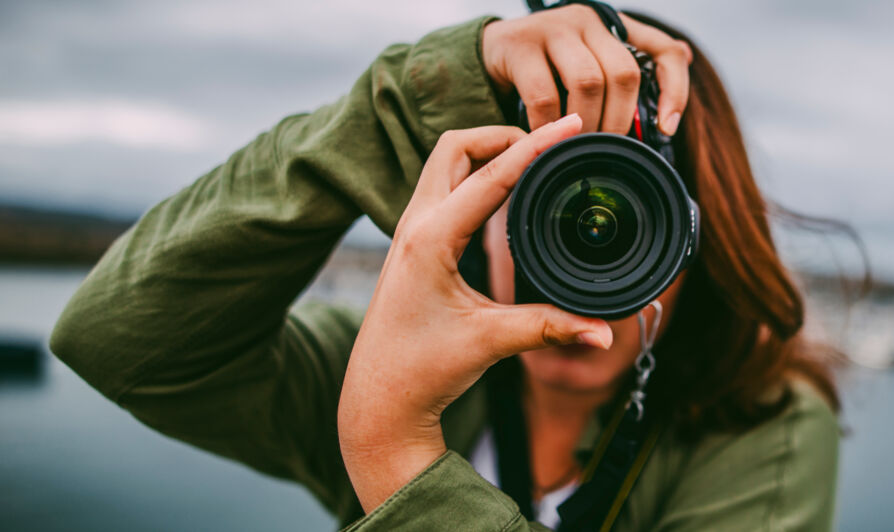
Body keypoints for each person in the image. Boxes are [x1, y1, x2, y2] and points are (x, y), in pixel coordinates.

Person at [50, 4, 841, 531]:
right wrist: (397, 103)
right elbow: (117, 340)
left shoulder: (765, 425)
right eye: (545, 211)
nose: (583, 271)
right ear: (475, 214)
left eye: (633, 224)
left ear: (700, 242)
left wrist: (395, 455)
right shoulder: (380, 367)